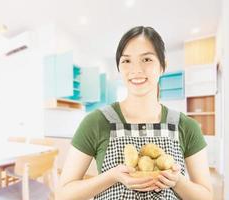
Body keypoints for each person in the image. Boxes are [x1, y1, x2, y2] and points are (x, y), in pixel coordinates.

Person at [56, 26, 213, 200]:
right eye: (126, 61)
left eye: (146, 59)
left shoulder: (186, 126)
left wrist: (178, 182)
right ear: (119, 68)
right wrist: (111, 176)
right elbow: (63, 194)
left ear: (163, 66)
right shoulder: (96, 122)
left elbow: (206, 196)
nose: (136, 70)